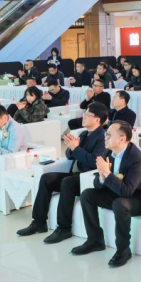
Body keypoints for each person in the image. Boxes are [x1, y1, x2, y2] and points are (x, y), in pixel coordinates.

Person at [17, 102, 109, 240]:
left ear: (97, 119)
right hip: (75, 175)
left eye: (87, 114)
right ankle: (39, 222)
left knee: (67, 182)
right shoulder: (84, 134)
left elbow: (94, 162)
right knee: (46, 178)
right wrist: (72, 147)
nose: (83, 116)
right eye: (84, 113)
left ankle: (64, 228)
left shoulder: (102, 137)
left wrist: (76, 148)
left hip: (88, 178)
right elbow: (69, 155)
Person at [72, 121, 141, 267]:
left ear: (122, 139)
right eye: (106, 134)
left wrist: (107, 174)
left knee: (120, 204)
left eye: (109, 135)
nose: (105, 138)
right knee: (87, 195)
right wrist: (102, 177)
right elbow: (98, 184)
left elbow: (127, 191)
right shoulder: (108, 152)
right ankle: (95, 240)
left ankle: (123, 251)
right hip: (118, 192)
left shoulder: (137, 159)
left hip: (139, 199)